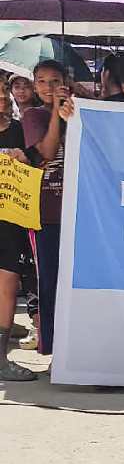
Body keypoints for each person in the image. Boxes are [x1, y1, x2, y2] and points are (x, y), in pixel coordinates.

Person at [21, 60, 74, 357]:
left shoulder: (78, 109)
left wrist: (71, 108)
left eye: (55, 81)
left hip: (79, 211)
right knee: (50, 284)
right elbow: (47, 152)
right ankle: (52, 348)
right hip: (47, 214)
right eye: (41, 81)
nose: (48, 87)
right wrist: (56, 112)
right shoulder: (33, 116)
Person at [0, 83, 37, 380]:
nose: (1, 96)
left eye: (3, 90)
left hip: (11, 219)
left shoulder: (21, 129)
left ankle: (1, 359)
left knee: (8, 284)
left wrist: (24, 157)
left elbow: (39, 159)